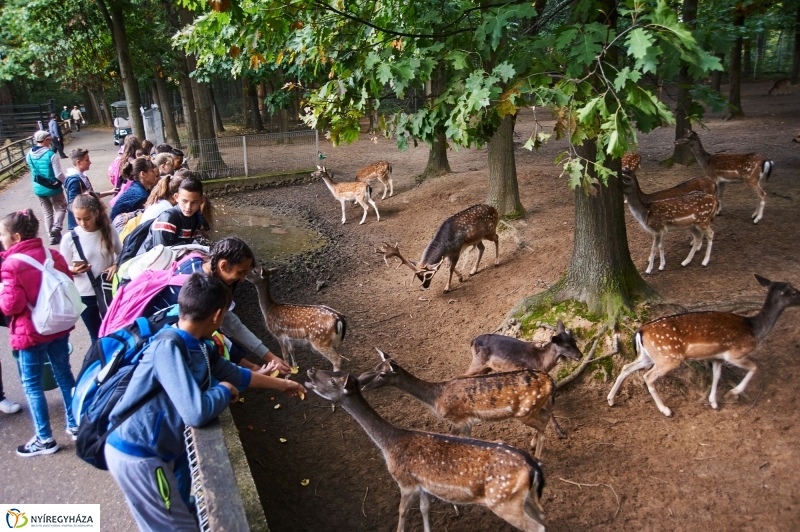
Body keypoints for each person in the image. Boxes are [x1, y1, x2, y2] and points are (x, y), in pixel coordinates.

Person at [104, 273, 305, 531]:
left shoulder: (200, 344)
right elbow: (195, 412)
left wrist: (283, 384)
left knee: (184, 513)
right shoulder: (168, 349)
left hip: (161, 449)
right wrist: (223, 390)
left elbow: (236, 374)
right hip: (140, 456)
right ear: (217, 315)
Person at [146, 236, 292, 375]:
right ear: (223, 265)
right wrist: (257, 365)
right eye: (240, 273)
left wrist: (265, 359)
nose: (242, 280)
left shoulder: (199, 260)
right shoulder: (203, 290)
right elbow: (224, 331)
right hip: (159, 341)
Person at [0, 210, 78, 456]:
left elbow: (11, 306)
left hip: (31, 333)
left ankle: (45, 438)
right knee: (64, 373)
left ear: (16, 236)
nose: (0, 239)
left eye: (2, 234)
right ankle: (75, 422)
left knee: (32, 385)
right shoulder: (51, 254)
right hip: (58, 326)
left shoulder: (12, 265)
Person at [60, 194, 122, 344]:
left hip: (108, 291)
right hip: (85, 295)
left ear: (96, 213)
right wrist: (72, 270)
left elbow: (121, 253)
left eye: (86, 218)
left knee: (113, 331)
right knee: (96, 336)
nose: (82, 223)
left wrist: (115, 265)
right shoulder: (70, 238)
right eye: (78, 219)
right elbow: (61, 267)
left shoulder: (108, 230)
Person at [142, 175, 208, 251]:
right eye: (184, 201)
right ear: (176, 197)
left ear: (201, 201)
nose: (188, 207)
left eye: (194, 202)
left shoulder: (197, 219)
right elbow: (161, 253)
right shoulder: (168, 219)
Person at [26, 131, 67, 245]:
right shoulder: (51, 155)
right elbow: (58, 174)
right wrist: (66, 182)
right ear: (44, 140)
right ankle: (56, 227)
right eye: (49, 139)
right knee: (60, 208)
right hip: (53, 188)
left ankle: (51, 237)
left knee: (47, 213)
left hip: (38, 188)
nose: (50, 141)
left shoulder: (29, 154)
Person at [64, 148, 117, 230]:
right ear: (78, 162)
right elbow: (72, 204)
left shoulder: (82, 176)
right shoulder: (75, 181)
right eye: (87, 160)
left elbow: (90, 195)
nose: (90, 162)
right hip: (81, 225)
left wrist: (109, 192)